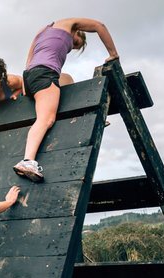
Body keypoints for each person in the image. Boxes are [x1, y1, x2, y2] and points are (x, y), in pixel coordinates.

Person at [14, 18, 119, 182]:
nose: (73, 46)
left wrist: (26, 86)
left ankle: (89, 115)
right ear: (78, 33)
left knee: (67, 79)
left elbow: (30, 58)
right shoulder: (71, 23)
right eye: (76, 43)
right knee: (46, 119)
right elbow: (100, 26)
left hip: (31, 75)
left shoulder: (43, 30)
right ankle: (27, 161)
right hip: (45, 73)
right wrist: (113, 54)